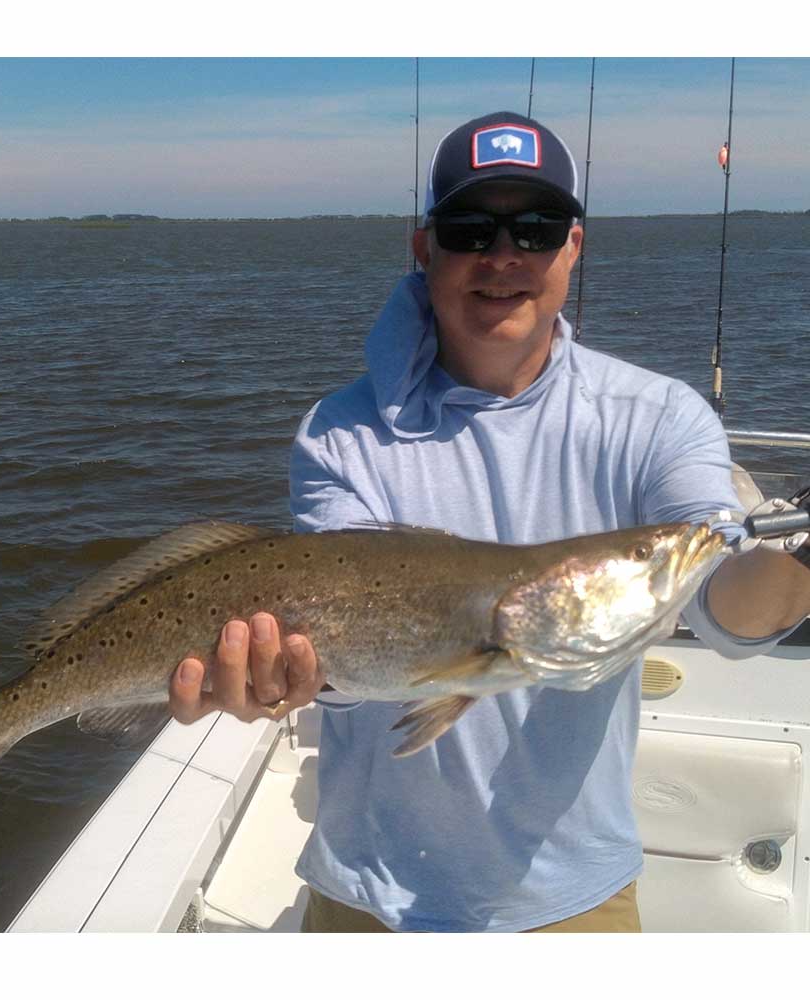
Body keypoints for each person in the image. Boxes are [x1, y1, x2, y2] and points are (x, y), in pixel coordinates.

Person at [168, 111, 810, 932]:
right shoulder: (340, 432)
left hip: (573, 900)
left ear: (572, 247)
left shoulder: (659, 417)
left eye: (535, 229)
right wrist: (279, 678)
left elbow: (725, 608)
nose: (503, 257)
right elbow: (342, 670)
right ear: (424, 248)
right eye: (471, 229)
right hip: (365, 894)